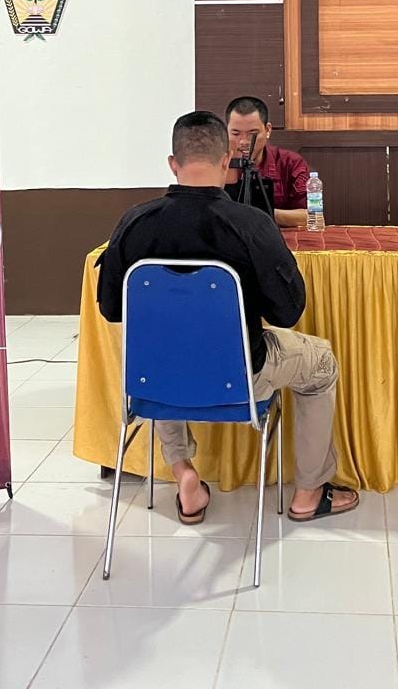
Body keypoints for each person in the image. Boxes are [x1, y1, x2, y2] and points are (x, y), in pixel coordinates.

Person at [96, 110, 358, 525]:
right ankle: (310, 492)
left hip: (152, 379)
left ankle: (183, 471)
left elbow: (111, 309)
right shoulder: (251, 224)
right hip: (240, 378)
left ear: (173, 164)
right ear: (225, 162)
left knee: (164, 355)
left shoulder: (133, 222)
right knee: (321, 362)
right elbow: (287, 313)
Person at [224, 96, 310, 229]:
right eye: (235, 134)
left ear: (268, 130)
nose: (244, 142)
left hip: (274, 237)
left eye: (252, 134)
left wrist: (260, 214)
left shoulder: (290, 163)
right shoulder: (217, 163)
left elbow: (309, 216)